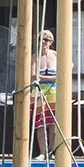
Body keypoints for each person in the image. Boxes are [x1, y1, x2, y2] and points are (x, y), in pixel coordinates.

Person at [30, 30, 58, 158]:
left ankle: (52, 150)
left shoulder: (56, 55)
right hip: (39, 92)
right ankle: (42, 152)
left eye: (47, 40)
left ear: (51, 42)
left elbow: (68, 68)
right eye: (42, 39)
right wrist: (52, 78)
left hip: (53, 92)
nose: (44, 42)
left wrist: (50, 78)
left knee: (52, 122)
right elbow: (32, 75)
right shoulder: (34, 57)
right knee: (40, 123)